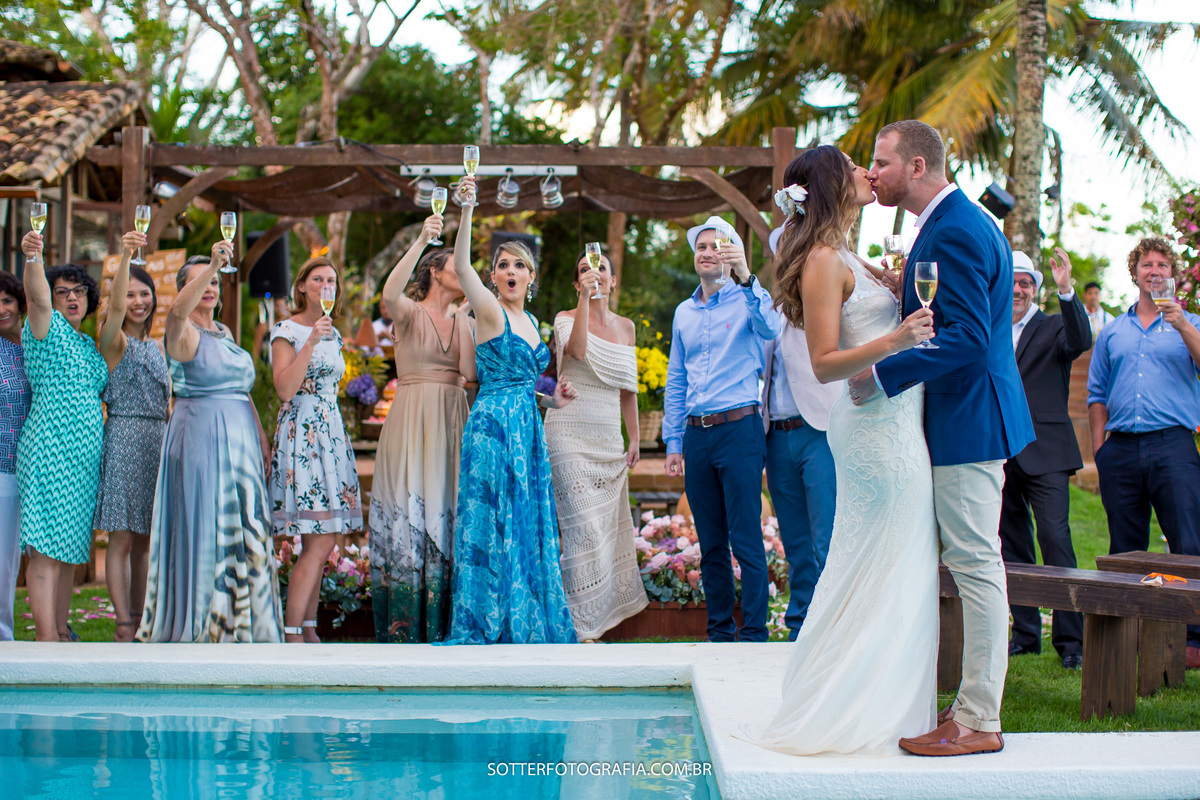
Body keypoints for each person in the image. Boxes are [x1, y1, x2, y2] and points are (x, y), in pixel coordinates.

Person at [735, 145, 938, 756]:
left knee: (892, 562)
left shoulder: (845, 253)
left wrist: (895, 289)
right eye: (854, 165)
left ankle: (889, 700)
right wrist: (899, 336)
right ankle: (850, 705)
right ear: (832, 182)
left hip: (897, 420)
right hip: (873, 429)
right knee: (874, 560)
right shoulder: (823, 260)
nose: (865, 172)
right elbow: (824, 364)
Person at [852, 120, 1035, 756]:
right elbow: (949, 313)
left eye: (882, 162)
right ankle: (964, 708)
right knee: (971, 561)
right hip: (967, 413)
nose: (873, 172)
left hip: (967, 417)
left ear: (919, 167)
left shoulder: (954, 227)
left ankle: (979, 719)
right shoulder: (953, 221)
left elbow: (965, 336)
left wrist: (879, 374)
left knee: (976, 565)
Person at [443, 176, 579, 645]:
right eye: (502, 266)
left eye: (519, 265)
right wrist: (465, 210)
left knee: (524, 519)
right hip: (493, 426)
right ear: (495, 277)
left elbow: (530, 385)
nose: (510, 272)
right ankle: (487, 621)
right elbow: (461, 267)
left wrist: (553, 400)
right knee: (490, 519)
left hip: (527, 427)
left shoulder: (534, 323)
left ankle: (524, 614)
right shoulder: (489, 312)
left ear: (531, 276)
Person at [138, 244, 284, 643]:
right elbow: (176, 312)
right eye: (201, 281)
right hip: (200, 436)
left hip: (241, 443)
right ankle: (205, 620)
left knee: (242, 525)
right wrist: (214, 263)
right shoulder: (182, 332)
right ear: (185, 288)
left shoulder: (225, 332)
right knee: (206, 522)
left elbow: (242, 391)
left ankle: (242, 621)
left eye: (216, 281)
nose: (211, 287)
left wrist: (260, 436)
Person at [662, 216, 780, 643]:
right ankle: (719, 635)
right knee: (709, 542)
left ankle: (753, 636)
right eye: (702, 247)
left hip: (740, 430)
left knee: (747, 537)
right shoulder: (683, 312)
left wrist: (748, 278)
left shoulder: (748, 299)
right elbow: (677, 379)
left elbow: (771, 328)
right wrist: (673, 441)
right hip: (697, 435)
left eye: (717, 246)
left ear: (730, 256)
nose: (708, 252)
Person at [1087, 235, 1200, 670]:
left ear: (1173, 274)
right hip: (1121, 449)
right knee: (1125, 547)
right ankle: (1127, 632)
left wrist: (1184, 324)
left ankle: (1192, 638)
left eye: (1163, 265)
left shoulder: (1189, 322)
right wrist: (1101, 450)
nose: (1155, 271)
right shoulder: (1113, 330)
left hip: (1173, 445)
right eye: (1147, 264)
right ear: (1135, 273)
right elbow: (1097, 393)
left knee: (1188, 543)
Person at [369, 213, 478, 643]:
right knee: (411, 508)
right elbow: (388, 291)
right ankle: (405, 623)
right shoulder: (409, 312)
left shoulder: (466, 322)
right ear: (434, 271)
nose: (465, 268)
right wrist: (420, 239)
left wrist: (469, 316)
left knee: (448, 508)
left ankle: (446, 622)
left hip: (454, 416)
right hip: (413, 416)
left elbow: (470, 375)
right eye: (457, 263)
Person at [544, 248, 648, 642]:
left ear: (614, 279)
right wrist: (585, 300)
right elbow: (578, 352)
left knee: (603, 531)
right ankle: (580, 626)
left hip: (608, 439)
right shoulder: (566, 318)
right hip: (568, 432)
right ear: (577, 283)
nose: (595, 273)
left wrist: (634, 436)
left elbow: (628, 389)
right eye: (586, 269)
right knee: (582, 528)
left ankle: (597, 619)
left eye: (601, 268)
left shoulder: (627, 328)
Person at [1000, 249, 1091, 670]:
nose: (1018, 289)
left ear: (1035, 290)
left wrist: (1067, 290)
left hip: (1047, 452)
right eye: (1013, 281)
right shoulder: (991, 327)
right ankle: (1025, 634)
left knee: (1055, 540)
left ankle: (1072, 642)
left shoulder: (1054, 325)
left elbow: (1080, 340)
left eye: (1026, 283)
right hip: (1000, 452)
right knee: (1013, 546)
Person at [17, 232, 109, 642]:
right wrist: (33, 258)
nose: (72, 298)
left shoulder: (88, 344)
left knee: (70, 547)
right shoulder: (45, 327)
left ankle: (59, 630)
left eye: (78, 292)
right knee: (46, 545)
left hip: (83, 460)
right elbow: (35, 298)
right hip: (50, 449)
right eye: (62, 292)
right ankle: (45, 636)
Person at [269, 256, 363, 643]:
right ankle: (292, 632)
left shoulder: (336, 334)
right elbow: (285, 389)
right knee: (319, 537)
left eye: (332, 281)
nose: (327, 286)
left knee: (323, 535)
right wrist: (310, 340)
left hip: (331, 433)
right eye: (319, 279)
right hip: (302, 433)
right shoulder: (285, 330)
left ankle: (308, 628)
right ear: (303, 286)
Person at [759, 226, 842, 640]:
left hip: (819, 430)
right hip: (777, 434)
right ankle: (799, 629)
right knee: (794, 540)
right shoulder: (771, 310)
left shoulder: (825, 298)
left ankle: (830, 632)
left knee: (825, 536)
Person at [94, 230, 171, 641]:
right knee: (121, 538)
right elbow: (117, 304)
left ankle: (143, 619)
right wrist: (126, 257)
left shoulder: (159, 347)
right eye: (132, 295)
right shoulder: (113, 341)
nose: (139, 302)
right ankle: (123, 622)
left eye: (147, 295)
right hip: (124, 434)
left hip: (158, 440)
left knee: (145, 540)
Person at [0, 272, 30, 642]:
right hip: (3, 466)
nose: (1, 309)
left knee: (14, 560)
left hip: (36, 466)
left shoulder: (37, 345)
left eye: (6, 300)